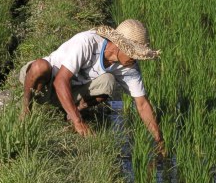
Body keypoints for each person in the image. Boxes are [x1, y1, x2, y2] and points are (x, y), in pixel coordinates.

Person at [19, 19, 166, 156]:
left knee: (108, 81)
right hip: (43, 85)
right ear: (119, 45)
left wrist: (159, 140)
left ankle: (69, 114)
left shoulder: (129, 66)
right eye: (132, 54)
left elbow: (142, 104)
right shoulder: (87, 42)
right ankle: (26, 109)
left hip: (69, 93)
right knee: (40, 66)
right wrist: (79, 122)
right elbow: (60, 81)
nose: (134, 59)